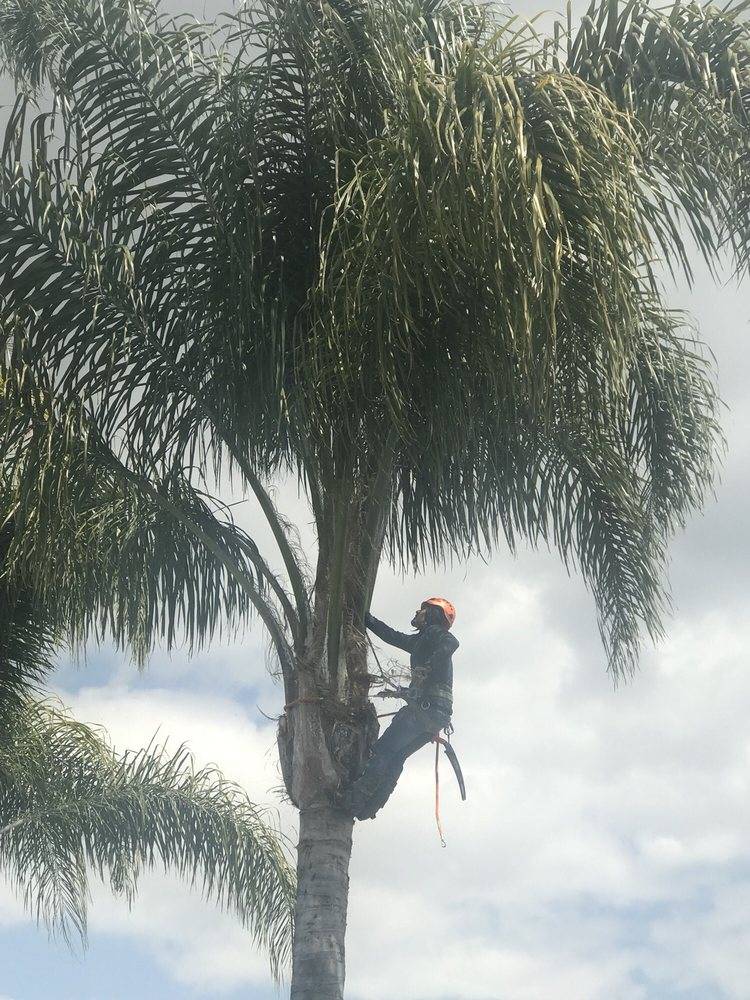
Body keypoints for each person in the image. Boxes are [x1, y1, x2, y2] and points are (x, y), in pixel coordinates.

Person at [336, 597, 458, 820]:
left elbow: (452, 643)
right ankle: (369, 808)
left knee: (383, 751)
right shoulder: (420, 641)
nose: (417, 612)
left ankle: (351, 801)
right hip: (435, 717)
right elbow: (391, 635)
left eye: (423, 610)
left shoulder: (434, 634)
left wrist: (426, 669)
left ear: (433, 615)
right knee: (397, 756)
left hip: (424, 710)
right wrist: (367, 619)